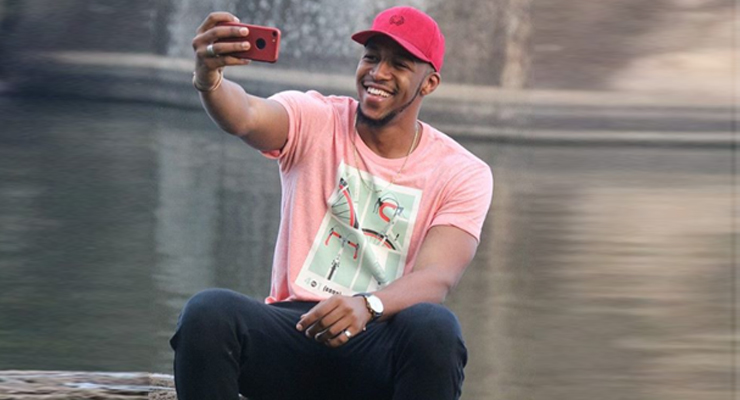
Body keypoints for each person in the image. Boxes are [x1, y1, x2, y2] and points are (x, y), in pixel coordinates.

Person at [170, 6, 493, 400]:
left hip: (378, 339)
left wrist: (367, 306)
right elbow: (247, 116)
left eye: (399, 65)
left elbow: (437, 276)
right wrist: (209, 78)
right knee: (208, 312)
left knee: (435, 327)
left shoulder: (462, 171)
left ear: (429, 83)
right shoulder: (316, 118)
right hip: (295, 329)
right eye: (371, 57)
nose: (378, 73)